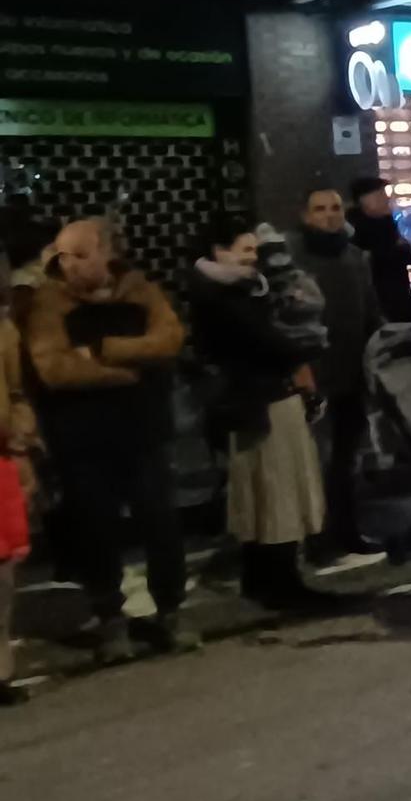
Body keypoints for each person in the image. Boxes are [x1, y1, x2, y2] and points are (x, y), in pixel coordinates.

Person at [27, 219, 192, 662]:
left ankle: (170, 611)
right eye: (64, 257)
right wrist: (132, 370)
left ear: (106, 253)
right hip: (83, 437)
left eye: (81, 255)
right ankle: (110, 619)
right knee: (96, 529)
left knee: (160, 521)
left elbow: (169, 339)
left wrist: (102, 351)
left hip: (144, 430)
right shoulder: (49, 304)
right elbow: (54, 369)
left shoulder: (141, 292)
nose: (71, 266)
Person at [188, 219, 333, 610]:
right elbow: (264, 342)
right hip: (259, 402)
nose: (255, 259)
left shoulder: (241, 290)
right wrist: (300, 349)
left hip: (261, 400)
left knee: (268, 494)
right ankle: (280, 583)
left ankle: (266, 579)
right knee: (275, 494)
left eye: (256, 250)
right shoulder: (223, 295)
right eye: (245, 250)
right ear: (220, 252)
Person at [292, 188, 383, 556]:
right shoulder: (294, 261)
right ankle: (316, 537)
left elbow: (370, 311)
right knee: (317, 464)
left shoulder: (356, 258)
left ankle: (346, 531)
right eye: (319, 209)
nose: (328, 215)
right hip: (312, 381)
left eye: (334, 209)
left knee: (346, 463)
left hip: (350, 375)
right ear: (306, 216)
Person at [0, 301, 34, 705]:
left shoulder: (4, 330)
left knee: (3, 576)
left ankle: (1, 674)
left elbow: (17, 391)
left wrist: (21, 431)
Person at [348, 175, 411, 323]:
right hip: (378, 312)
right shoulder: (356, 235)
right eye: (379, 194)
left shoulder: (391, 227)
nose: (386, 199)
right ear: (363, 200)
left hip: (402, 306)